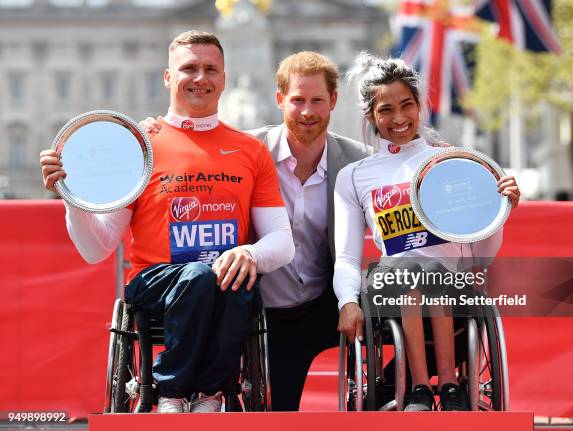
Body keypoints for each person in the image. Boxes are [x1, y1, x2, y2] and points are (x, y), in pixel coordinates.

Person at [39, 30, 295, 414]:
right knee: (198, 275)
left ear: (224, 79)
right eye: (189, 68)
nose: (200, 78)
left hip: (224, 285)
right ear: (168, 77)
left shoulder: (249, 150)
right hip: (156, 283)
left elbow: (282, 243)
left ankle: (210, 394)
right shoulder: (141, 145)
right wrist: (72, 199)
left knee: (238, 281)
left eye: (211, 69)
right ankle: (170, 392)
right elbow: (97, 249)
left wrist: (250, 253)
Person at [140, 51, 370, 411]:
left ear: (333, 102)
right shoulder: (244, 150)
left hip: (325, 306)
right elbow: (191, 146)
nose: (307, 111)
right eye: (297, 100)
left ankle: (405, 391)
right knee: (277, 412)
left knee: (402, 298)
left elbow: (399, 178)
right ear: (280, 101)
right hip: (260, 313)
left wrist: (439, 166)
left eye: (317, 100)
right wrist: (152, 133)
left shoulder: (358, 160)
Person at [333, 52, 520, 411]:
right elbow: (346, 255)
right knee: (412, 270)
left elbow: (482, 251)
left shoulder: (454, 161)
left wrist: (502, 211)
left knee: (431, 270)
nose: (399, 118)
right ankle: (420, 386)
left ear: (420, 106)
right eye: (385, 109)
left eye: (407, 105)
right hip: (389, 285)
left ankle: (448, 385)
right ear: (370, 116)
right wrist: (347, 302)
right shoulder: (355, 176)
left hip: (451, 287)